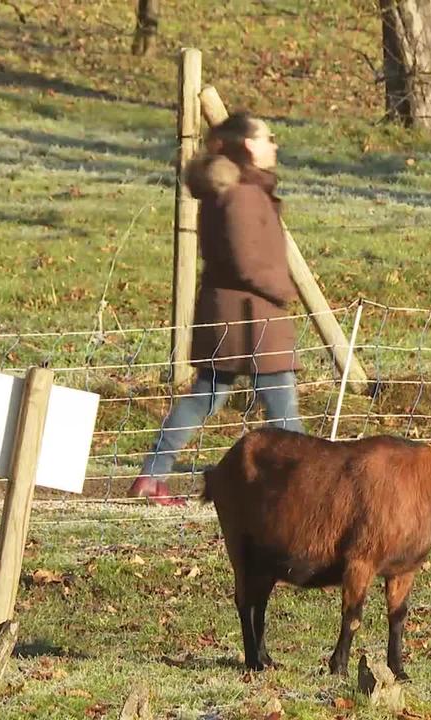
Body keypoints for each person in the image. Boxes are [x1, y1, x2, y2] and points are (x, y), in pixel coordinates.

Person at [128, 112, 304, 506]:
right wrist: (282, 289)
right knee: (284, 414)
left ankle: (153, 474)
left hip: (237, 319)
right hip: (252, 321)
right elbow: (246, 261)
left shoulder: (233, 192)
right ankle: (305, 490)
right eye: (267, 138)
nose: (274, 145)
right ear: (247, 146)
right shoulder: (242, 195)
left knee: (206, 397)